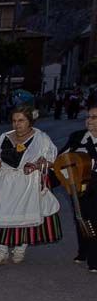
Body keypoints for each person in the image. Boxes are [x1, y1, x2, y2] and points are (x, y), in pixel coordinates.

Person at [0, 104, 62, 265]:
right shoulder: (4, 137)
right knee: (1, 213)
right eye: (14, 120)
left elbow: (51, 161)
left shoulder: (41, 138)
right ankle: (1, 250)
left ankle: (20, 249)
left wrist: (37, 165)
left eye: (21, 120)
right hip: (5, 182)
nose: (17, 124)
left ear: (30, 121)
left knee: (24, 215)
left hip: (27, 182)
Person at [58, 106, 97, 272]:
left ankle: (94, 259)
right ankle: (83, 251)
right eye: (89, 116)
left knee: (94, 220)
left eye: (95, 117)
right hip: (78, 184)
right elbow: (62, 158)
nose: (89, 120)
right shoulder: (77, 136)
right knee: (81, 219)